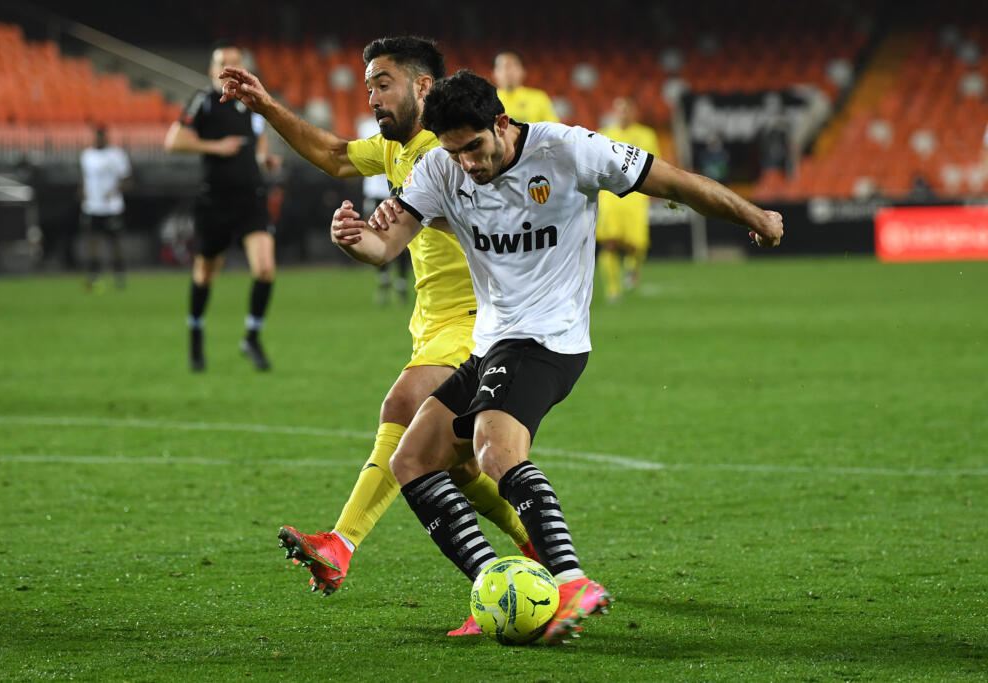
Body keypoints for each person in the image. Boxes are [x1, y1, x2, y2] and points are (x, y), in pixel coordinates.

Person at [332, 70, 783, 643]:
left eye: (474, 146)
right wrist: (352, 238)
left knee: (495, 450)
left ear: (502, 123)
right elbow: (384, 245)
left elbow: (676, 183)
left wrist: (756, 217)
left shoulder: (569, 149)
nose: (467, 162)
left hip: (550, 339)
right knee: (412, 459)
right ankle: (499, 586)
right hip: (493, 342)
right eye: (454, 150)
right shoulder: (439, 168)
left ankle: (571, 582)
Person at [218, 37, 535, 634]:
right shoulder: (394, 148)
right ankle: (532, 555)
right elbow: (337, 155)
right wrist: (268, 107)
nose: (372, 98)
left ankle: (341, 545)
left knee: (404, 406)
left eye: (382, 84)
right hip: (432, 323)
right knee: (459, 470)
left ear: (421, 87)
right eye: (367, 87)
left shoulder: (449, 149)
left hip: (479, 319)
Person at [163, 42, 281, 372]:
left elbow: (257, 142)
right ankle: (196, 336)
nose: (229, 67)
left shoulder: (252, 103)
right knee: (204, 274)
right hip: (215, 200)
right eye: (223, 62)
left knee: (265, 269)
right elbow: (173, 141)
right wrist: (216, 146)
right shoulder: (204, 101)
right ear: (212, 70)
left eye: (235, 62)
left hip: (251, 198)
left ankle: (252, 337)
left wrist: (264, 159)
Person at [596, 97, 661, 302]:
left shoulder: (646, 134)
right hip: (610, 199)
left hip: (636, 198)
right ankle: (613, 290)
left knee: (635, 245)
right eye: (619, 110)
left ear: (634, 113)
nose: (623, 113)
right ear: (614, 113)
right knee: (610, 243)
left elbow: (656, 165)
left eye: (627, 110)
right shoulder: (604, 134)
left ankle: (631, 268)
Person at [357, 116, 410, 306]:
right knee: (377, 236)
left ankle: (401, 281)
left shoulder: (402, 127)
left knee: (403, 238)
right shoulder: (366, 127)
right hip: (375, 192)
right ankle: (384, 279)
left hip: (396, 192)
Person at [79, 125, 131, 290]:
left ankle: (119, 274)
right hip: (92, 206)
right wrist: (83, 191)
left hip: (111, 207)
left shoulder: (116, 155)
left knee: (114, 242)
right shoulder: (86, 155)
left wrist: (115, 192)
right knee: (92, 241)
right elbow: (85, 178)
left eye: (101, 136)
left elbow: (126, 178)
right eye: (97, 136)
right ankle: (94, 274)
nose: (99, 139)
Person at [492, 51, 558, 123]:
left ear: (522, 71)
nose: (508, 72)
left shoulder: (539, 98)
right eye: (503, 67)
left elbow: (553, 130)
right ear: (494, 73)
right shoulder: (486, 101)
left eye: (513, 66)